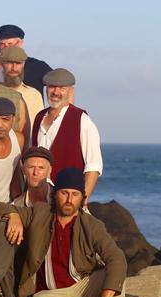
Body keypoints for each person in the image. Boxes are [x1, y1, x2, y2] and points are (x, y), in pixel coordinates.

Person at [0, 168, 127, 297]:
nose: (68, 199)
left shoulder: (91, 224)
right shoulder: (39, 213)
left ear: (82, 198)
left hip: (81, 289)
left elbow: (116, 257)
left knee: (117, 276)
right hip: (49, 295)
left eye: (75, 194)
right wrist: (13, 216)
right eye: (64, 193)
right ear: (55, 194)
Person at [32, 68, 102, 202]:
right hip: (39, 200)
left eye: (62, 88)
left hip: (67, 202)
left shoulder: (82, 120)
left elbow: (93, 166)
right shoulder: (39, 117)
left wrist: (82, 202)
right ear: (46, 89)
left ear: (70, 90)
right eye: (52, 87)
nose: (56, 92)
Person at [0, 25, 52, 96]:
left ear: (20, 43)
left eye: (10, 44)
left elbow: (61, 83)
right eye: (2, 44)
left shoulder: (38, 67)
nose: (6, 48)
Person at [0, 46, 45, 129]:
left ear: (23, 64)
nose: (14, 68)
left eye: (18, 63)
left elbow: (39, 128)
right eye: (9, 63)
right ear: (2, 64)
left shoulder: (34, 95)